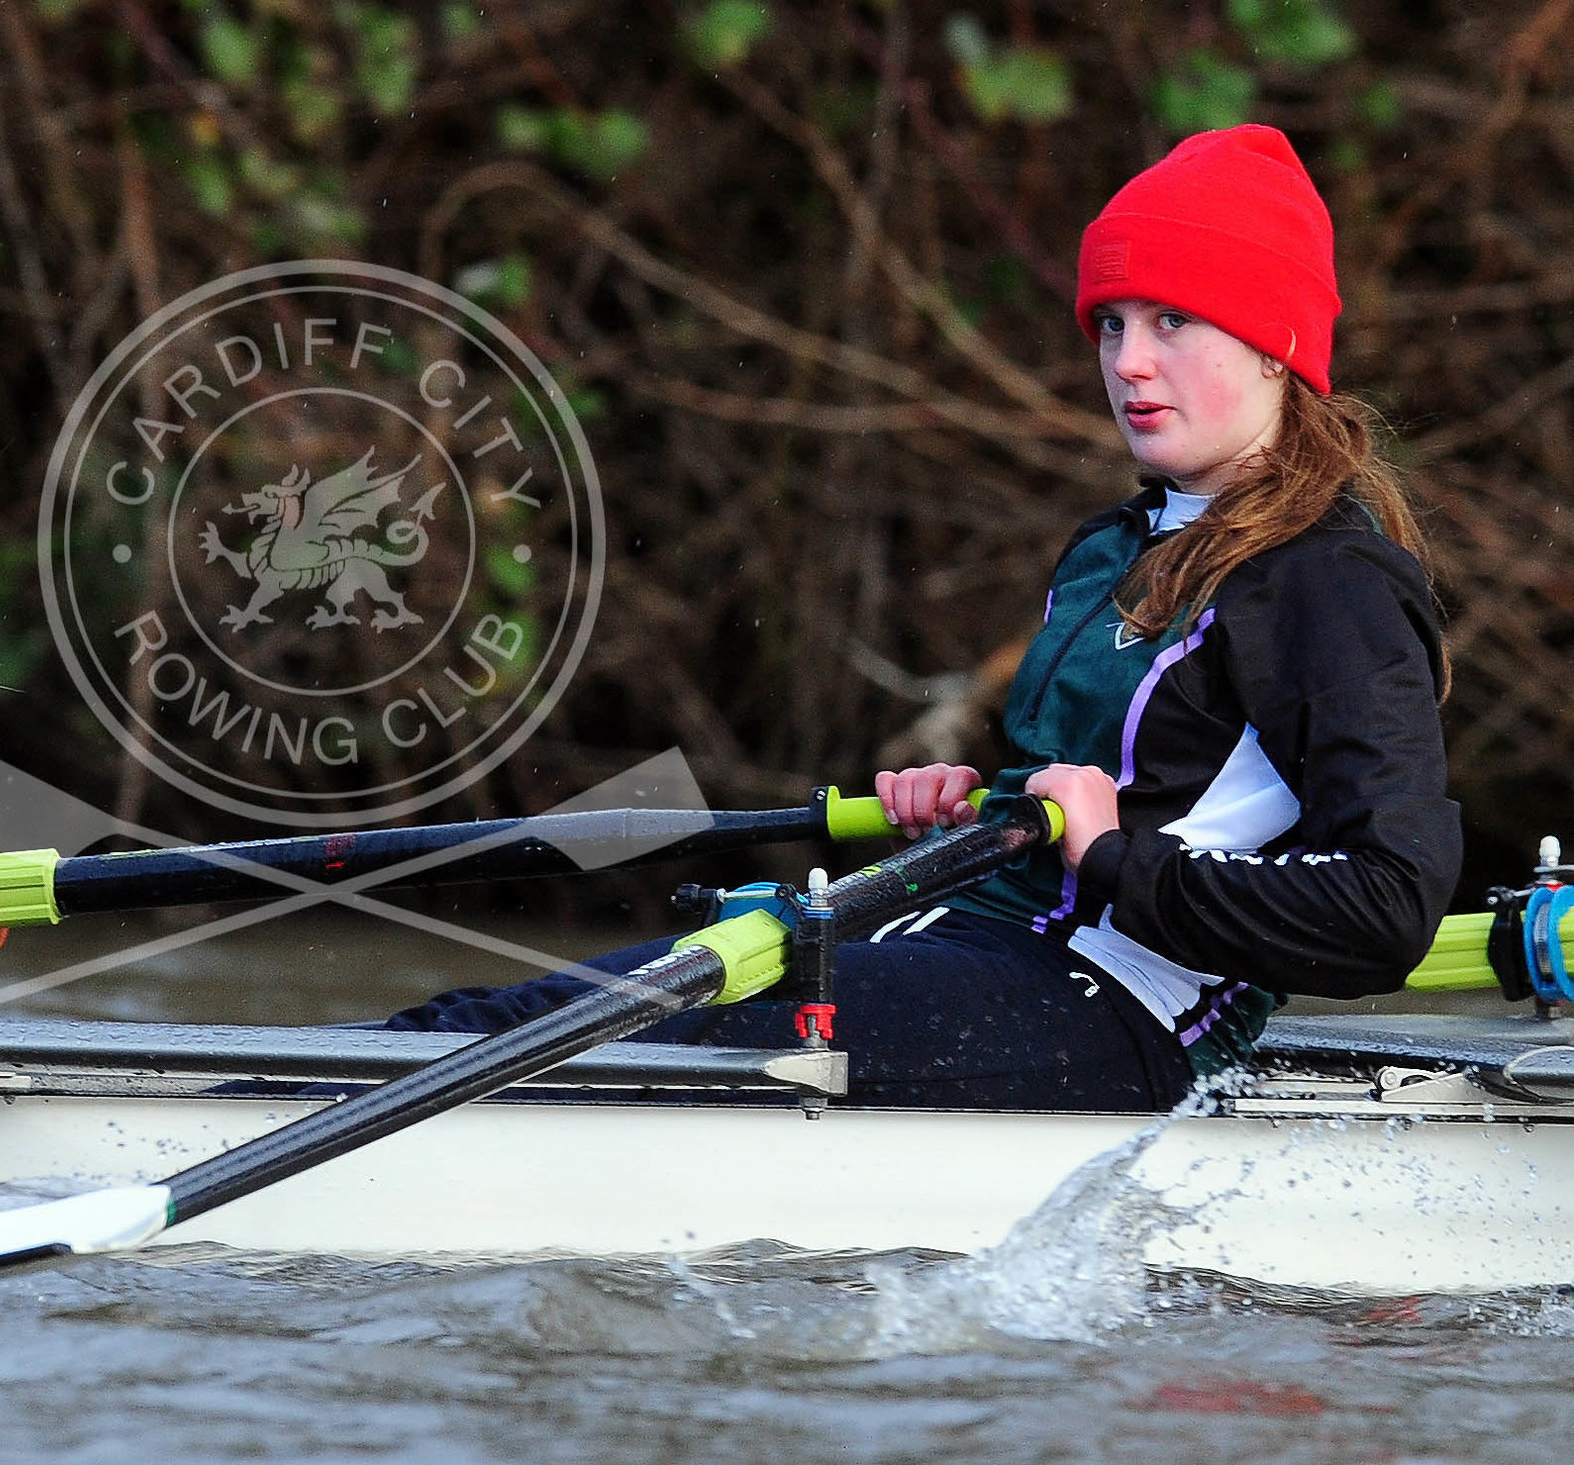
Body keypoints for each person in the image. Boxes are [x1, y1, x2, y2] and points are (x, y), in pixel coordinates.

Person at [386, 124, 1460, 1111]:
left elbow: (1386, 905)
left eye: (1174, 321)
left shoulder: (1334, 583)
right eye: (1112, 325)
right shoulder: (1113, 545)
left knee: (529, 1035)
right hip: (978, 938)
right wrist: (982, 809)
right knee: (495, 1017)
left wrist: (1109, 858)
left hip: (1126, 1005)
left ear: (1274, 345)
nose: (1128, 362)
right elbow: (1105, 788)